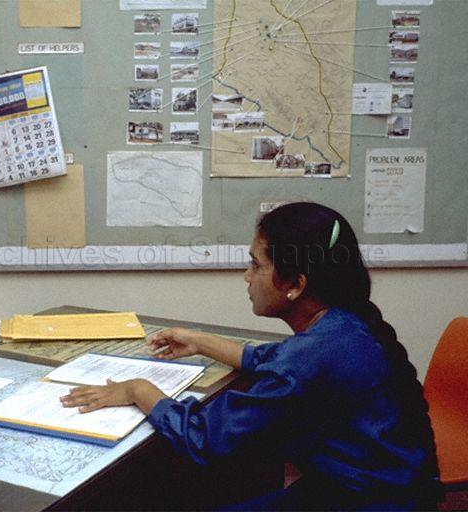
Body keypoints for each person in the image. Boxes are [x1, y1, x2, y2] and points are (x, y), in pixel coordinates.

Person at [61, 202, 440, 510]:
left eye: (257, 265)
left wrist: (137, 389)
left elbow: (203, 437)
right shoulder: (346, 323)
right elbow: (277, 359)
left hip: (364, 500)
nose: (247, 276)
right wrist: (199, 341)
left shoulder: (310, 358)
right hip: (391, 485)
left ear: (295, 285)